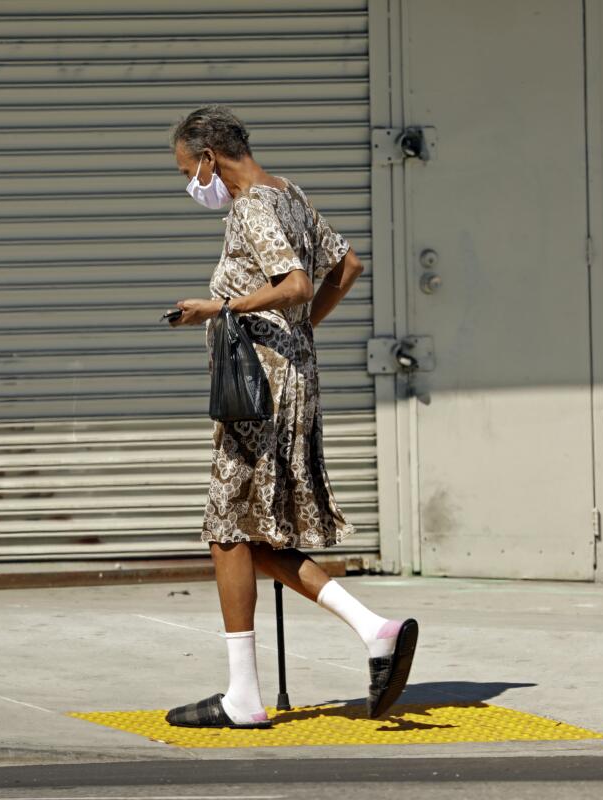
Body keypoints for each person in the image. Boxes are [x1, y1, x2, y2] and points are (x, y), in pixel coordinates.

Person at [163, 105, 417, 729]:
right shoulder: (291, 194)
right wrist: (297, 334)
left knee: (227, 529)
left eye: (186, 171)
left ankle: (243, 698)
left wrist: (219, 306)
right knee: (253, 533)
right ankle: (373, 629)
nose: (191, 185)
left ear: (207, 157)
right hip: (293, 378)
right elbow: (347, 266)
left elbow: (299, 283)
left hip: (258, 391)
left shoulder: (251, 205)